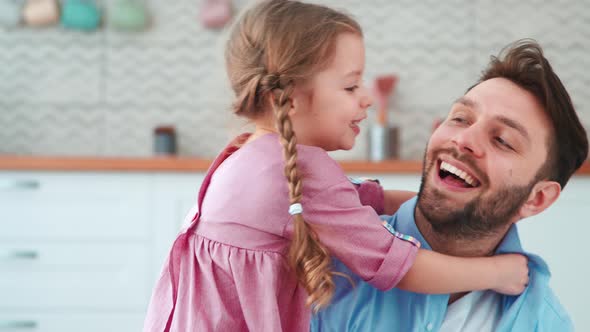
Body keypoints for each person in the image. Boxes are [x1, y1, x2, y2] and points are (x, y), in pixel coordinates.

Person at [142, 1, 530, 331]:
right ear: (291, 98)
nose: (366, 100)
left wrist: (422, 203)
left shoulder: (247, 151)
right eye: (350, 87)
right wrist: (497, 274)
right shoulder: (300, 171)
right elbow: (397, 266)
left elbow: (345, 200)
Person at [311, 39, 588, 332]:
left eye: (502, 140)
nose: (464, 139)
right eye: (459, 118)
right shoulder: (319, 258)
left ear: (538, 199)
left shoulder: (543, 324)